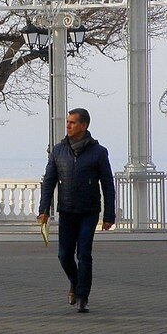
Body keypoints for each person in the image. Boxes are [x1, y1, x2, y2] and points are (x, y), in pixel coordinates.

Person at [38, 108, 115, 314]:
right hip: (67, 211)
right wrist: (43, 209)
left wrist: (109, 215)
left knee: (84, 254)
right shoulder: (58, 150)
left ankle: (82, 297)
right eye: (68, 122)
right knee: (64, 255)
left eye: (72, 123)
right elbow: (48, 182)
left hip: (89, 211)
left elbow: (108, 184)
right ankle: (75, 282)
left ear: (84, 126)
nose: (68, 126)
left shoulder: (99, 152)